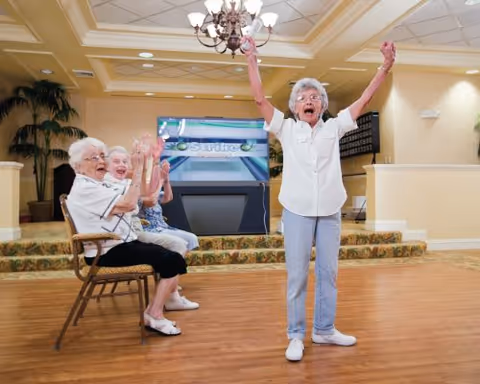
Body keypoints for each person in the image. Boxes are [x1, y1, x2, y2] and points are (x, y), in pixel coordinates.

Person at [242, 35, 396, 361]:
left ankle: (324, 330)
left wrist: (385, 67)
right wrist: (251, 58)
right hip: (296, 211)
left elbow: (365, 100)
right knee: (297, 275)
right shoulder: (285, 128)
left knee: (329, 273)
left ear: (323, 106)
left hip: (329, 211)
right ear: (295, 106)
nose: (308, 100)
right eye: (302, 97)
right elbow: (258, 99)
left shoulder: (333, 127)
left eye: (315, 97)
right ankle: (295, 335)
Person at [67, 136, 189, 336]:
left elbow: (144, 194)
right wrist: (138, 166)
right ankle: (154, 314)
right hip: (107, 251)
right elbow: (129, 204)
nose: (100, 161)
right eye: (93, 158)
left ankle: (155, 311)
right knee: (171, 259)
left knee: (171, 255)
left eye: (101, 156)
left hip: (119, 244)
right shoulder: (86, 188)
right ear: (78, 166)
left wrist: (146, 163)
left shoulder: (97, 184)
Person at [105, 145, 198, 310]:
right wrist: (153, 173)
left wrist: (162, 176)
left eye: (125, 161)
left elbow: (160, 197)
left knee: (181, 244)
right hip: (127, 237)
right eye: (116, 161)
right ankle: (170, 295)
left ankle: (170, 291)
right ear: (106, 165)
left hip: (134, 232)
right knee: (176, 246)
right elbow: (147, 200)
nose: (122, 165)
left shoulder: (125, 184)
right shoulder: (112, 186)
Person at [138, 160, 199, 252]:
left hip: (163, 227)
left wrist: (166, 179)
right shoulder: (141, 191)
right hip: (151, 230)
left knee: (192, 238)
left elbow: (168, 197)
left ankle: (184, 261)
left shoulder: (156, 191)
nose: (157, 177)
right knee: (183, 241)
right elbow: (151, 201)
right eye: (156, 174)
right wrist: (161, 180)